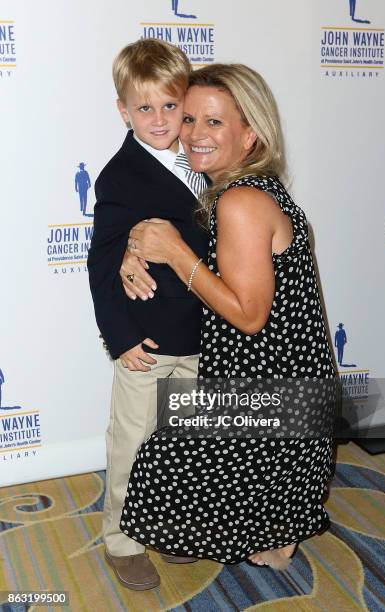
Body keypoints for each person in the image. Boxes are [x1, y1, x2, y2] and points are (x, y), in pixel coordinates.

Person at [119, 63, 336, 569]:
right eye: (189, 118)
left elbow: (250, 316)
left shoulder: (239, 201)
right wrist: (134, 248)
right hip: (296, 394)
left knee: (158, 475)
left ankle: (279, 522)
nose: (193, 134)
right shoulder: (247, 189)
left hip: (275, 398)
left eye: (214, 123)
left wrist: (172, 252)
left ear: (251, 134)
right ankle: (280, 520)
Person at [87, 39, 208, 591]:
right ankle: (122, 540)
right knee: (133, 443)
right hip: (148, 340)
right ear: (123, 110)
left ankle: (173, 527)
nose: (159, 120)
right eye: (145, 108)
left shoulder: (206, 161)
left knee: (183, 443)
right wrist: (121, 336)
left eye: (170, 106)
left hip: (200, 332)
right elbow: (102, 259)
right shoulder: (120, 175)